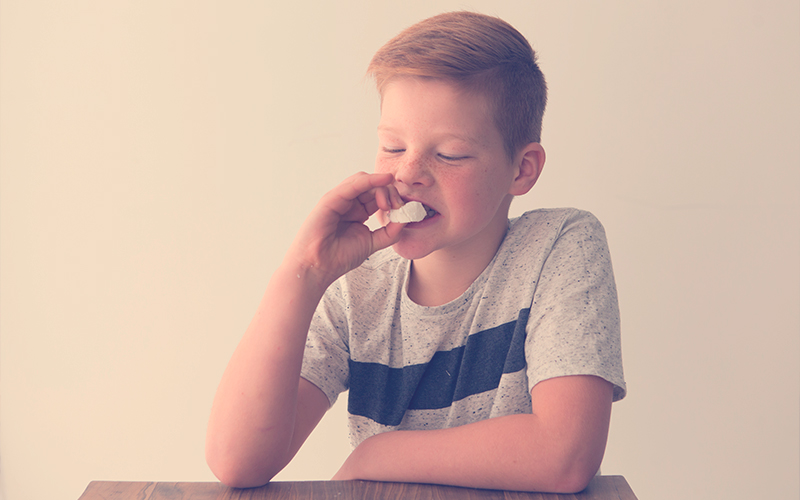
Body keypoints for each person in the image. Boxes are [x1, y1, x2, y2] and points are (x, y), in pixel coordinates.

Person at [205, 11, 625, 494]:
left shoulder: (559, 245)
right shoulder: (355, 286)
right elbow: (237, 462)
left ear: (522, 170)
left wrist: (376, 452)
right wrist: (303, 272)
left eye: (448, 154)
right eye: (391, 146)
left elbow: (564, 453)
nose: (408, 174)